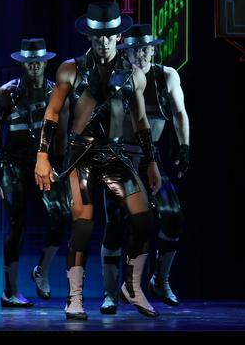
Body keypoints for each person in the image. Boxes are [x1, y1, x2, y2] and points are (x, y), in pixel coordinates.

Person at [35, 1, 162, 320]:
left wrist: (151, 162)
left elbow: (142, 121)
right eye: (98, 36)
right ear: (89, 37)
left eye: (110, 36)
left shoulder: (133, 75)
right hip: (82, 156)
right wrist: (42, 155)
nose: (104, 41)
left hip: (116, 154)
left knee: (145, 219)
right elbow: (52, 113)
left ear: (118, 37)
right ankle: (74, 297)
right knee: (83, 225)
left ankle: (132, 286)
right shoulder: (71, 69)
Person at [99, 23, 189, 313]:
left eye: (145, 48)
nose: (141, 54)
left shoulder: (166, 76)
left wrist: (185, 146)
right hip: (119, 159)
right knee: (115, 224)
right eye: (135, 49)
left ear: (153, 49)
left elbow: (179, 113)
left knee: (172, 217)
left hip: (151, 160)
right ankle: (111, 293)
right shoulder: (117, 79)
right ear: (125, 54)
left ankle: (160, 280)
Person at [0, 38, 70, 307]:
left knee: (62, 213)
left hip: (45, 163)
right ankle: (10, 290)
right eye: (30, 62)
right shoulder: (7, 92)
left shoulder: (56, 91)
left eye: (39, 61)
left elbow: (62, 133)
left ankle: (42, 271)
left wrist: (60, 167)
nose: (35, 66)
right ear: (23, 64)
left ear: (46, 62)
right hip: (13, 162)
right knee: (17, 222)